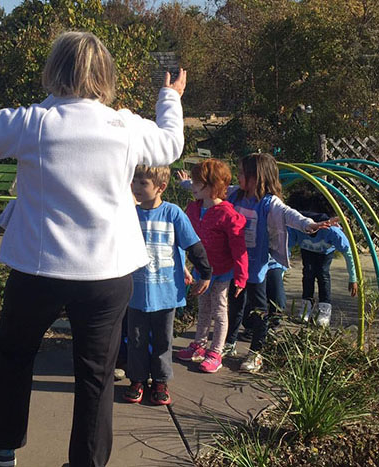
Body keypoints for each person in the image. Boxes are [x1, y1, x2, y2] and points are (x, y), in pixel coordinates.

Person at [0, 31, 187, 467]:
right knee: (96, 375)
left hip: (39, 270)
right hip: (109, 272)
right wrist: (168, 95)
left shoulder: (33, 122)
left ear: (55, 70)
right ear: (105, 74)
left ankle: (5, 442)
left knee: (14, 354)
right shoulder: (125, 126)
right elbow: (172, 143)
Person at [221, 153, 332, 372]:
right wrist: (189, 184)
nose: (238, 176)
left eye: (243, 173)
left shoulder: (268, 203)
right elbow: (213, 190)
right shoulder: (235, 195)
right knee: (235, 304)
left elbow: (289, 214)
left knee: (260, 308)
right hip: (237, 262)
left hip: (257, 264)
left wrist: (309, 224)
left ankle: (256, 352)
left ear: (257, 177)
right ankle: (229, 343)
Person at [123, 166, 210, 405]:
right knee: (136, 339)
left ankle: (160, 381)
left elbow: (193, 245)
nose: (136, 188)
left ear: (160, 187)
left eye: (143, 184)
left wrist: (205, 273)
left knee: (163, 340)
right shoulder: (129, 214)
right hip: (135, 293)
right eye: (134, 182)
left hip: (166, 293)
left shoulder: (172, 214)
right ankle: (137, 379)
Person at [175, 159, 247, 374]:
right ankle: (200, 343)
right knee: (204, 307)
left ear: (212, 186)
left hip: (222, 271)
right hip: (201, 270)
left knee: (219, 309)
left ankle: (216, 351)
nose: (193, 186)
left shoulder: (228, 215)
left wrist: (241, 278)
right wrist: (186, 268)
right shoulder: (193, 209)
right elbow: (183, 238)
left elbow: (239, 249)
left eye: (197, 183)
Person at [286, 189, 358, 327]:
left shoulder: (333, 232)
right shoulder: (297, 228)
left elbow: (348, 253)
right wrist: (282, 268)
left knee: (323, 274)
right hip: (307, 249)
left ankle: (325, 309)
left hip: (325, 252)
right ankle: (306, 305)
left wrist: (353, 278)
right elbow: (286, 247)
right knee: (307, 273)